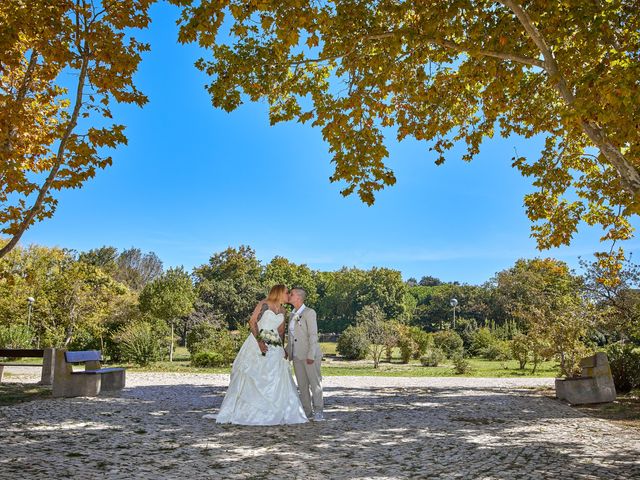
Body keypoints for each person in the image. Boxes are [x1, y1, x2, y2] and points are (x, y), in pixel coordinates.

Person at [212, 285, 308, 425]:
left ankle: (277, 412)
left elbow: (281, 332)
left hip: (274, 345)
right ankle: (248, 412)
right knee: (253, 375)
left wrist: (282, 348)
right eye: (287, 292)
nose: (288, 295)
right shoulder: (264, 304)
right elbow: (252, 322)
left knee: (277, 377)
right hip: (257, 342)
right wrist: (260, 342)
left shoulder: (283, 310)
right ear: (279, 292)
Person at [286, 287, 324, 421]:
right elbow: (291, 337)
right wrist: (287, 352)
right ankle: (307, 412)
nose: (289, 296)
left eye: (291, 294)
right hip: (296, 356)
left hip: (310, 355)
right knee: (302, 385)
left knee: (315, 384)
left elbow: (313, 335)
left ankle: (319, 411)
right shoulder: (291, 314)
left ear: (298, 297)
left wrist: (311, 354)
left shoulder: (309, 312)